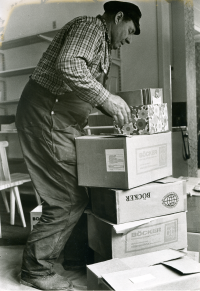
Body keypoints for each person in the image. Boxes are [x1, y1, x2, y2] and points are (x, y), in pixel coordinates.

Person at [16, 1, 142, 289]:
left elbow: (80, 87)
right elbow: (70, 64)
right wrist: (107, 99)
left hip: (60, 120)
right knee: (65, 197)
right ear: (118, 17)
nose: (128, 39)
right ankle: (36, 270)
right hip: (45, 115)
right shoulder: (90, 27)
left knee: (80, 189)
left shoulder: (103, 46)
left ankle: (73, 260)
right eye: (130, 30)